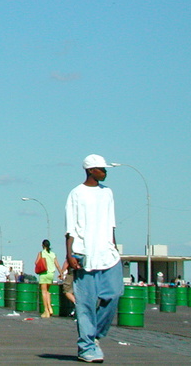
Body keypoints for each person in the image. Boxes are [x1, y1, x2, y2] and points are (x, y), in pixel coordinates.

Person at [65, 154, 124, 363]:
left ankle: (95, 335)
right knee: (86, 304)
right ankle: (86, 347)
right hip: (83, 254)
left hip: (108, 253)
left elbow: (112, 223)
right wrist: (69, 254)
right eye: (101, 169)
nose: (105, 172)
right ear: (91, 170)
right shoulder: (76, 194)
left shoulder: (107, 193)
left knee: (114, 294)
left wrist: (114, 247)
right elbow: (70, 227)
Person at [36, 239, 61, 318]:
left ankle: (46, 310)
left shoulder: (41, 253)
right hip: (51, 274)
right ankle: (50, 307)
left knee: (43, 292)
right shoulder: (53, 254)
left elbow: (36, 262)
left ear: (42, 245)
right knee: (47, 291)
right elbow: (57, 265)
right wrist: (61, 273)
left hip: (44, 273)